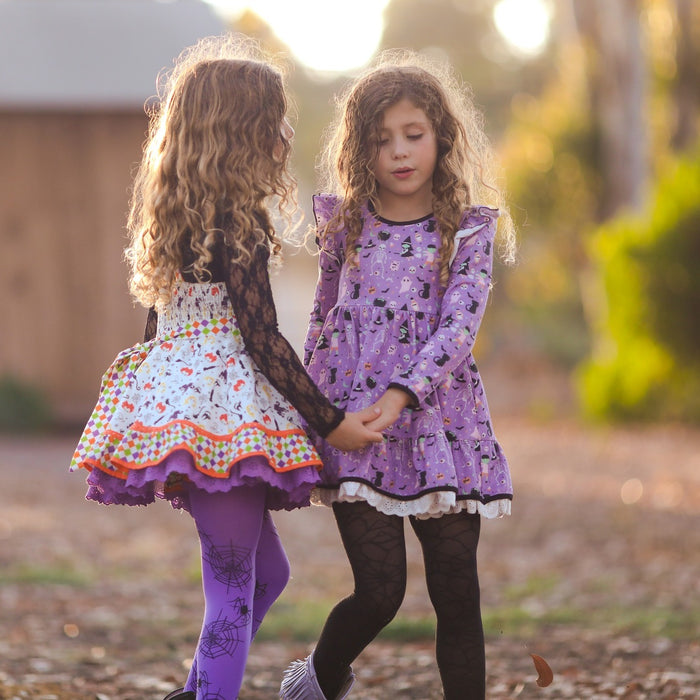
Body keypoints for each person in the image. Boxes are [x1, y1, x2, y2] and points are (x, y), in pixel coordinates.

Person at [69, 35, 383, 700]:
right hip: (219, 416)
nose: (287, 132)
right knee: (235, 588)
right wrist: (331, 423)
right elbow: (263, 338)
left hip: (193, 414)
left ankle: (191, 693)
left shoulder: (176, 215)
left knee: (264, 577)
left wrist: (149, 401)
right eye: (275, 118)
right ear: (242, 132)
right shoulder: (236, 220)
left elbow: (159, 322)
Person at [279, 50, 516, 700]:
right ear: (362, 149)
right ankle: (314, 686)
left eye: (414, 134)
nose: (401, 152)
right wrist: (316, 418)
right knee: (380, 594)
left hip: (441, 431)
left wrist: (403, 391)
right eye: (383, 140)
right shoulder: (344, 226)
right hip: (362, 434)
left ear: (442, 135)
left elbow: (459, 330)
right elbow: (325, 327)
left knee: (457, 595)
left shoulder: (466, 233)